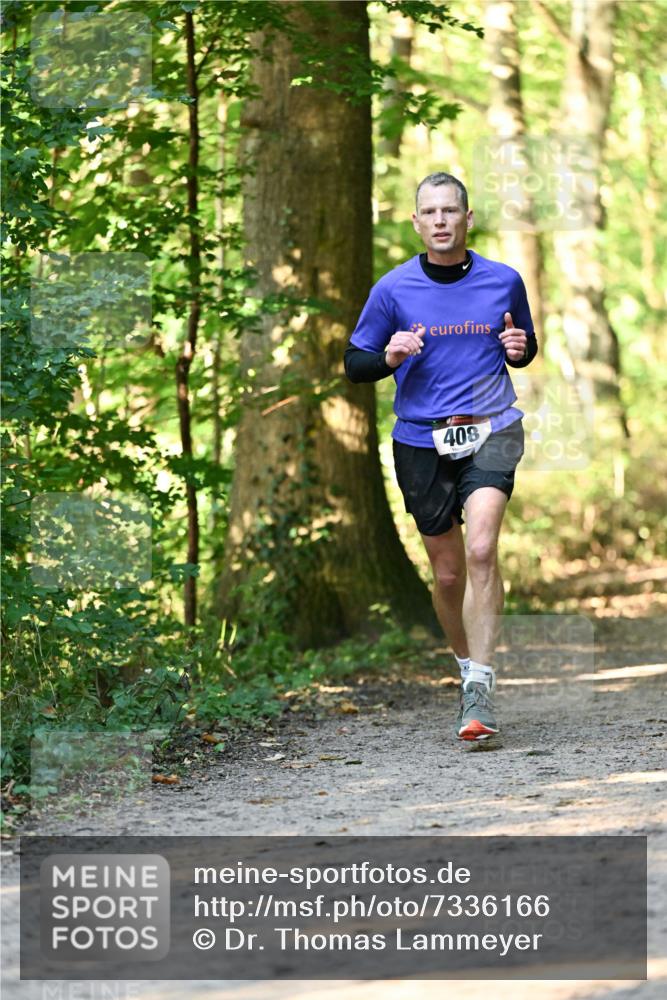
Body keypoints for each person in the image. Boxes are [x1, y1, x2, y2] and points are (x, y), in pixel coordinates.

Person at [344, 171, 538, 742]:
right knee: (449, 572)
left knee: (481, 549)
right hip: (420, 439)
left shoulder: (503, 280)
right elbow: (354, 364)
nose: (441, 221)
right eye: (430, 212)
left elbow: (522, 344)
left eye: (450, 210)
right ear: (416, 222)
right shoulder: (393, 289)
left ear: (467, 218)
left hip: (493, 427)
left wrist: (520, 350)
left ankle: (479, 686)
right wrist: (389, 356)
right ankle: (465, 665)